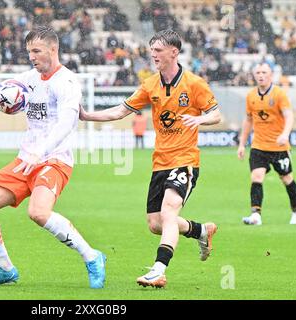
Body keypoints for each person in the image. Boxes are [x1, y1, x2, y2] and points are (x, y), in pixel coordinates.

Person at [0, 26, 106, 288]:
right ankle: (4, 267)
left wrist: (42, 151)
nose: (32, 57)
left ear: (53, 49)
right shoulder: (29, 78)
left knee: (38, 212)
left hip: (54, 160)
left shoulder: (67, 82)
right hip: (25, 160)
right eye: (29, 52)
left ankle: (92, 257)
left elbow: (67, 122)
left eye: (36, 51)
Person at [80, 29, 221, 288]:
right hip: (160, 163)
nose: (153, 55)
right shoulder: (150, 85)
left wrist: (200, 118)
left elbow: (216, 114)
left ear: (174, 52)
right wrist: (87, 116)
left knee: (168, 212)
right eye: (152, 50)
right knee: (156, 224)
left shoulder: (195, 84)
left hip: (185, 160)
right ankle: (201, 230)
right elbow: (121, 111)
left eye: (158, 50)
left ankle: (158, 270)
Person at [237, 63, 296, 225]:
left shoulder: (279, 94)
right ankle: (256, 215)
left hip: (279, 147)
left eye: (264, 72)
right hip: (259, 146)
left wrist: (285, 134)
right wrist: (241, 144)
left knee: (287, 179)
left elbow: (289, 116)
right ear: (254, 75)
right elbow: (248, 120)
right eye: (258, 72)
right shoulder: (250, 96)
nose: (261, 75)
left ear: (271, 75)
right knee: (256, 177)